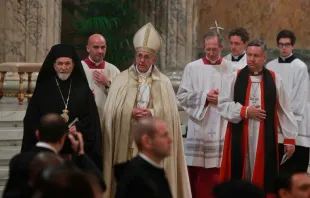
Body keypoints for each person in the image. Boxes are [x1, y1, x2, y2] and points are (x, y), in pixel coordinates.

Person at [102, 22, 191, 198]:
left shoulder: (164, 82)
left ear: (153, 59)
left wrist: (152, 113)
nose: (142, 60)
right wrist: (129, 112)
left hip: (152, 147)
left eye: (146, 57)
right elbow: (110, 112)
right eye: (139, 56)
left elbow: (172, 116)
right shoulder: (121, 80)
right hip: (126, 141)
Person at [218, 39, 298, 195]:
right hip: (240, 133)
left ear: (264, 57)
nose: (251, 59)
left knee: (263, 175)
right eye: (249, 55)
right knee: (240, 172)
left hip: (264, 137)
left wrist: (290, 138)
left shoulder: (275, 79)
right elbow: (222, 104)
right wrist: (245, 111)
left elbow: (284, 110)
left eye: (256, 55)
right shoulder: (235, 77)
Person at [21, 44, 102, 170]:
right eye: (60, 64)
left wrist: (79, 127)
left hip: (74, 151)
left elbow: (92, 119)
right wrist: (48, 130)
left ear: (74, 64)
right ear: (53, 65)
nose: (63, 68)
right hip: (49, 150)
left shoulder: (83, 89)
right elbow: (31, 120)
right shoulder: (43, 89)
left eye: (67, 63)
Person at [177, 30, 235, 198]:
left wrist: (221, 99)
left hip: (222, 125)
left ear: (222, 48)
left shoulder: (232, 69)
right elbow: (181, 96)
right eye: (207, 49)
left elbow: (238, 99)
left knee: (219, 170)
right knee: (198, 172)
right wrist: (205, 97)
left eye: (214, 49)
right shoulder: (192, 68)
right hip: (199, 125)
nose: (210, 53)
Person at [4, 113, 105, 197]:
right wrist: (80, 153)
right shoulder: (64, 166)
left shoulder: (18, 160)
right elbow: (100, 185)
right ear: (63, 138)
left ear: (37, 134)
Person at [266, 30, 310, 173]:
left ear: (293, 46)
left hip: (293, 122)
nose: (284, 48)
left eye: (287, 45)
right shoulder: (270, 66)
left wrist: (286, 119)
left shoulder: (300, 67)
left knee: (292, 170)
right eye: (281, 45)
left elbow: (299, 98)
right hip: (273, 120)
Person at [114, 117, 173, 198]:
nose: (170, 140)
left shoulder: (155, 171)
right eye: (164, 135)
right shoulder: (135, 180)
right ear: (147, 141)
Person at [81, 34, 120, 120]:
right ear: (88, 48)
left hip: (106, 118)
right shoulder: (79, 68)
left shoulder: (113, 70)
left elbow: (121, 97)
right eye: (96, 47)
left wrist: (108, 83)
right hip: (85, 119)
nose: (100, 51)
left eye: (103, 47)